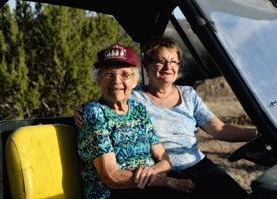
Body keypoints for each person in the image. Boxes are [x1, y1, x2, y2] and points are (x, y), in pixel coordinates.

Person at [75, 36, 260, 199]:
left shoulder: (186, 95)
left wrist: (261, 133)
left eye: (173, 62)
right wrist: (84, 108)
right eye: (161, 61)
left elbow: (219, 129)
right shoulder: (133, 96)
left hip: (193, 165)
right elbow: (110, 96)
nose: (168, 67)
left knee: (239, 196)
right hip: (159, 174)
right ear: (146, 66)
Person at [77, 43, 203, 199]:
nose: (117, 81)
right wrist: (166, 182)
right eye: (109, 74)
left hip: (146, 186)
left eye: (125, 74)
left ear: (135, 81)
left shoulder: (138, 109)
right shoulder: (95, 112)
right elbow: (111, 177)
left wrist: (152, 171)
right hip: (113, 193)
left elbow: (164, 161)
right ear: (98, 79)